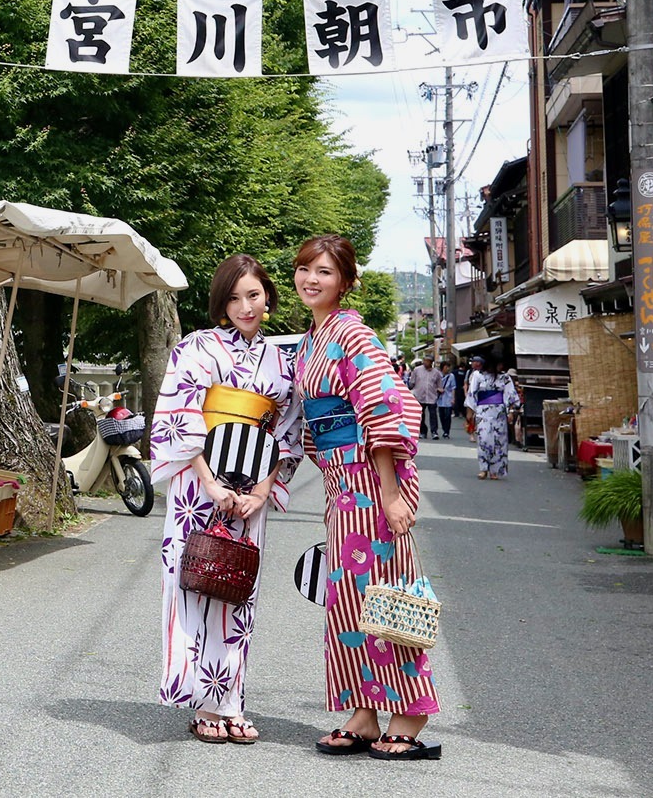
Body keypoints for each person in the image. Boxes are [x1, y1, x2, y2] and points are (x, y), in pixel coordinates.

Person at [292, 234, 442, 761]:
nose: (312, 279)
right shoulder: (312, 340)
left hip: (371, 482)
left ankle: (411, 710)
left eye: (326, 272)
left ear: (346, 281)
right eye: (306, 269)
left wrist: (390, 490)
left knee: (390, 592)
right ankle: (363, 709)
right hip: (341, 483)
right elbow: (313, 422)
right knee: (349, 600)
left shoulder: (353, 335)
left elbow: (381, 407)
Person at [151, 255, 303, 746]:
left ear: (267, 297)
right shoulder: (195, 347)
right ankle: (201, 703)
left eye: (254, 295)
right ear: (221, 303)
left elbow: (286, 430)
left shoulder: (282, 362)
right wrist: (211, 484)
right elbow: (181, 414)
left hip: (251, 491)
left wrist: (260, 491)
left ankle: (232, 700)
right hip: (199, 487)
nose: (245, 306)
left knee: (237, 589)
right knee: (193, 584)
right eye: (234, 298)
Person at [468, 356, 520, 480]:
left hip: (499, 412)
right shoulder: (477, 375)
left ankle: (495, 470)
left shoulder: (505, 378)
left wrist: (511, 412)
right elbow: (472, 394)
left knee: (499, 440)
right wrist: (470, 412)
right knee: (484, 439)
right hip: (482, 411)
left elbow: (510, 395)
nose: (500, 367)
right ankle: (483, 468)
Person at [407, 355, 441, 440]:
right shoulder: (417, 370)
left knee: (433, 415)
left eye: (428, 361)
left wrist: (439, 390)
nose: (425, 362)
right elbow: (412, 382)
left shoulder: (436, 372)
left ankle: (434, 432)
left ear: (431, 362)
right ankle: (423, 431)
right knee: (421, 415)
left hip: (431, 397)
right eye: (425, 360)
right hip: (419, 396)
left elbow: (439, 385)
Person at [437, 360, 458, 440]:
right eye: (446, 367)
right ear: (442, 367)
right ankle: (444, 429)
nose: (448, 368)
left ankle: (446, 432)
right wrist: (438, 389)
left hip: (448, 397)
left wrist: (453, 398)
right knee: (441, 415)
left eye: (448, 367)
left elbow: (453, 388)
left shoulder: (451, 376)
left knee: (448, 415)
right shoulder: (438, 375)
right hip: (440, 398)